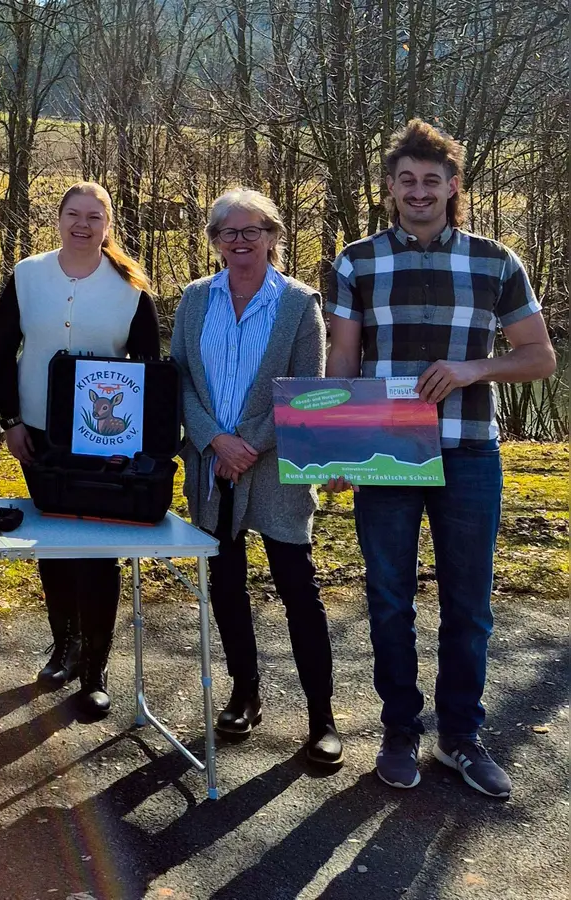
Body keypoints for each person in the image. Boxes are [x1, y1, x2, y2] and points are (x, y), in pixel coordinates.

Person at [325, 119, 556, 797]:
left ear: (453, 187)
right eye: (407, 181)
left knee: (469, 605)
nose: (419, 191)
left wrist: (470, 370)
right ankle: (400, 731)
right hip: (385, 455)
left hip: (470, 455)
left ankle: (460, 738)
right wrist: (335, 445)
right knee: (390, 600)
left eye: (431, 181)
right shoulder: (356, 260)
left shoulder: (495, 261)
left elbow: (540, 357)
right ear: (390, 189)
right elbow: (342, 359)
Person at [170, 189, 341, 766]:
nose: (240, 243)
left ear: (273, 236)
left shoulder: (298, 304)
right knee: (226, 585)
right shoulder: (195, 300)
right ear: (214, 241)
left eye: (252, 232)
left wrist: (248, 444)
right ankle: (246, 694)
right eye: (227, 233)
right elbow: (181, 381)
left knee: (298, 587)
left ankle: (322, 717)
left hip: (276, 470)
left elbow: (307, 391)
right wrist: (214, 440)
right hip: (211, 465)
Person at [0, 181, 159, 719]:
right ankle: (62, 645)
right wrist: (12, 420)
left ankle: (95, 668)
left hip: (104, 440)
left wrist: (135, 445)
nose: (82, 225)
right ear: (58, 218)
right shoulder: (27, 275)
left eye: (94, 216)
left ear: (108, 224)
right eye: (73, 214)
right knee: (56, 543)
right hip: (39, 431)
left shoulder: (131, 286)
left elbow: (149, 368)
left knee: (98, 551)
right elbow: (0, 351)